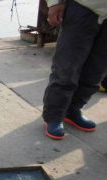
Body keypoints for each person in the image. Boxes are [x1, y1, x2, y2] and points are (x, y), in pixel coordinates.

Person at [42, 0, 107, 140]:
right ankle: (54, 116)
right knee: (66, 68)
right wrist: (54, 3)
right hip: (83, 7)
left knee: (96, 71)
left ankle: (73, 109)